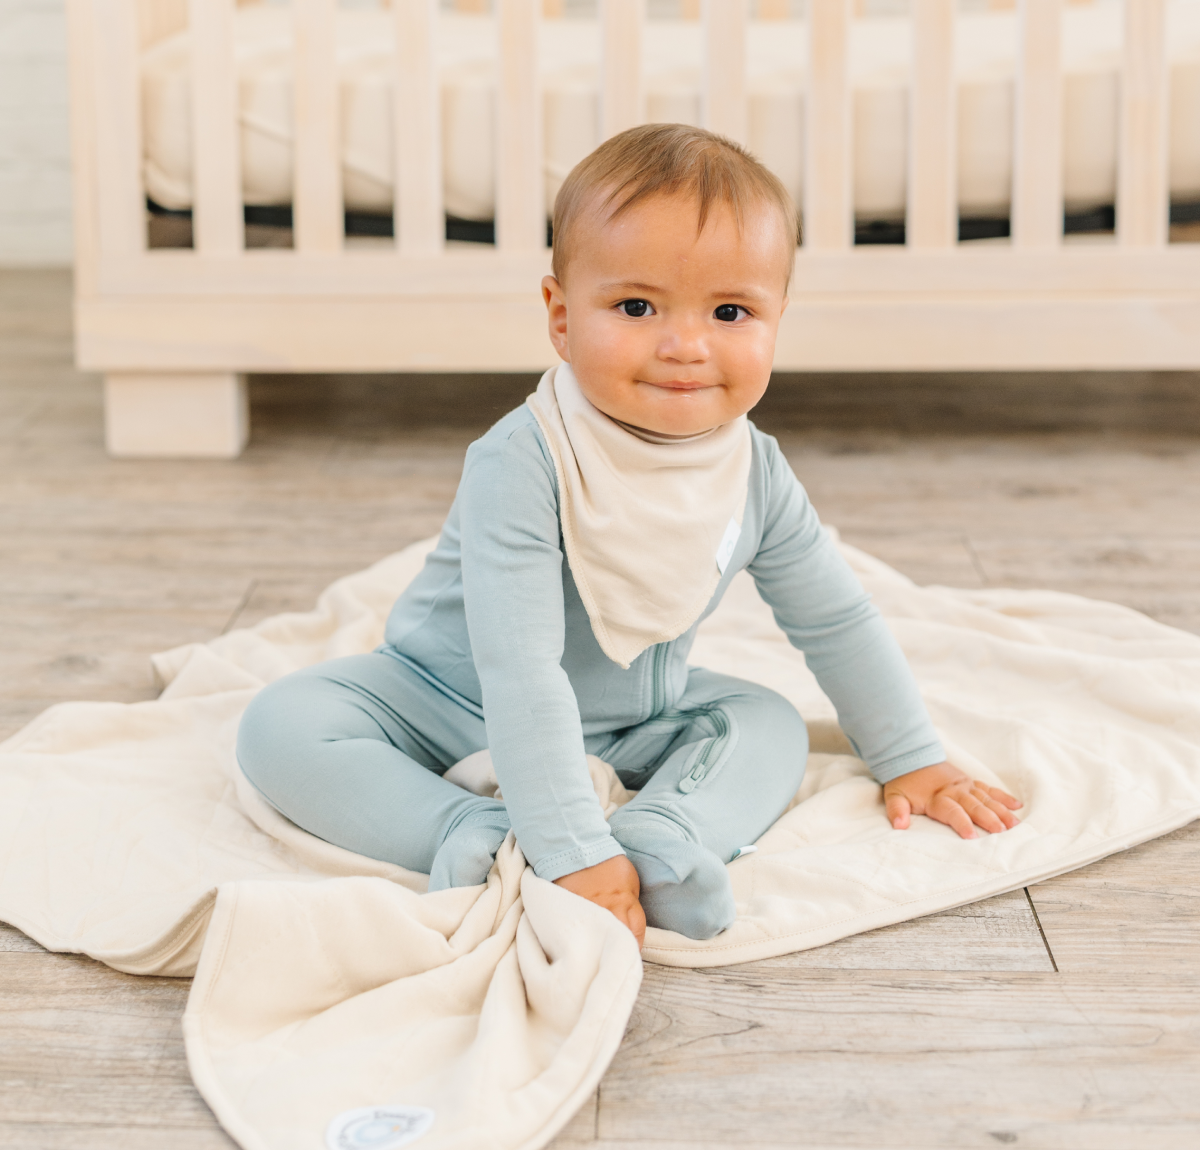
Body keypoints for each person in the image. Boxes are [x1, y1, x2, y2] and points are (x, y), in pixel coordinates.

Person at [236, 124, 1020, 949]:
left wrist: (911, 755)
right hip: (445, 699)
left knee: (769, 722)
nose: (685, 344)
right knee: (280, 725)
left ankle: (664, 841)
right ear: (562, 316)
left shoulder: (752, 472)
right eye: (637, 307)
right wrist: (571, 850)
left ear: (778, 319)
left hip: (629, 716)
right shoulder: (525, 457)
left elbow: (835, 620)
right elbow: (519, 664)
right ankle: (466, 829)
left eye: (730, 311)